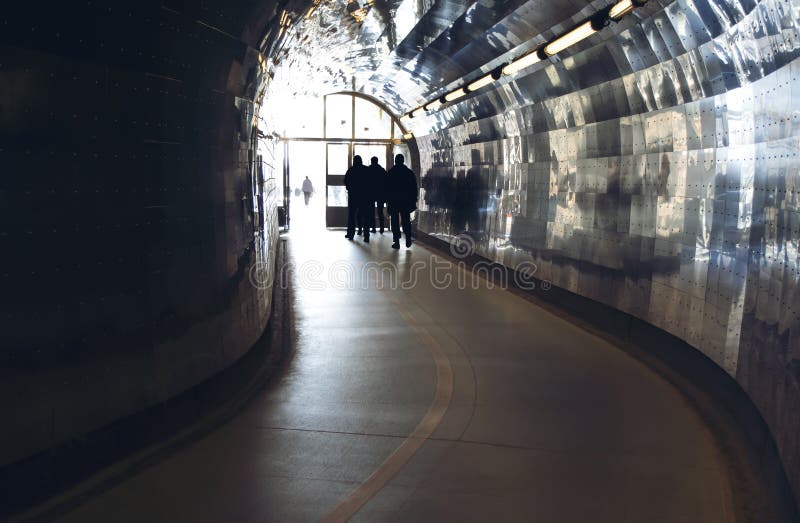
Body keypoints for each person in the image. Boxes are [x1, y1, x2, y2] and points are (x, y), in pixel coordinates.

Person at [387, 153, 417, 249]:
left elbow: (386, 187)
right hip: (406, 201)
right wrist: (413, 200)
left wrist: (386, 199)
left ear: (395, 161)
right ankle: (408, 238)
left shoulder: (391, 172)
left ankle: (396, 241)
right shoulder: (409, 172)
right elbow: (414, 187)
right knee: (406, 220)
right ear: (403, 161)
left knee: (395, 221)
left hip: (394, 201)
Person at [344, 155, 372, 242]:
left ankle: (351, 234)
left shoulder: (351, 170)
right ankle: (366, 235)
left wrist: (350, 188)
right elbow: (371, 182)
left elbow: (346, 181)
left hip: (353, 196)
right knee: (366, 216)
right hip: (365, 196)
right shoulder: (366, 170)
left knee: (352, 216)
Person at [368, 156, 388, 234]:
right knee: (380, 212)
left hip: (371, 193)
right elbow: (386, 181)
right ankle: (382, 228)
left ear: (371, 161)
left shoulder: (369, 169)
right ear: (377, 161)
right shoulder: (381, 170)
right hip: (380, 193)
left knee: (371, 211)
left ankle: (373, 228)